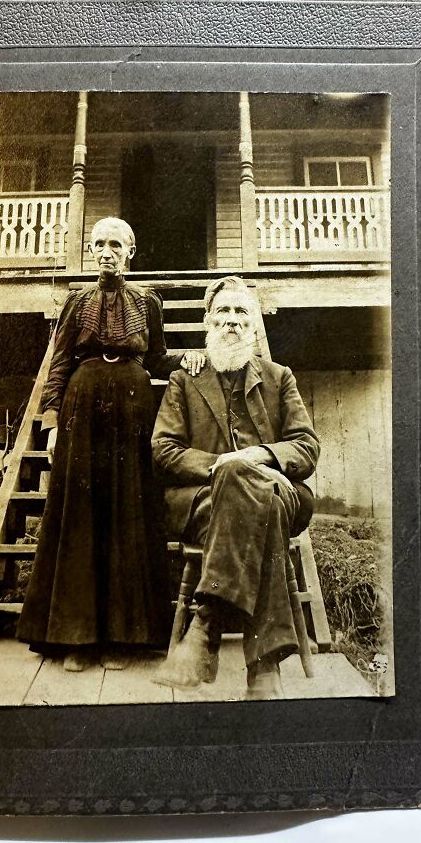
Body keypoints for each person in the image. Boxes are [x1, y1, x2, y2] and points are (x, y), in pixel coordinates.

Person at [16, 217, 205, 671]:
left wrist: (192, 355)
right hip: (82, 409)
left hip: (134, 410)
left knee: (128, 514)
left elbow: (158, 356)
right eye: (98, 243)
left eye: (115, 244)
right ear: (89, 248)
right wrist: (52, 421)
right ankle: (77, 639)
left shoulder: (147, 302)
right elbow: (59, 363)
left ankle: (125, 637)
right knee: (82, 518)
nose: (106, 251)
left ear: (131, 251)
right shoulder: (76, 302)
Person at [150, 276, 320, 699]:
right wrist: (222, 465)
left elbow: (306, 446)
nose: (231, 321)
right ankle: (263, 666)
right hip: (204, 500)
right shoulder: (184, 379)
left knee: (250, 485)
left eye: (240, 312)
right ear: (208, 320)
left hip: (278, 489)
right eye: (222, 312)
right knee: (249, 497)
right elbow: (163, 450)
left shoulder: (279, 377)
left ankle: (206, 622)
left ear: (254, 322)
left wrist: (256, 457)